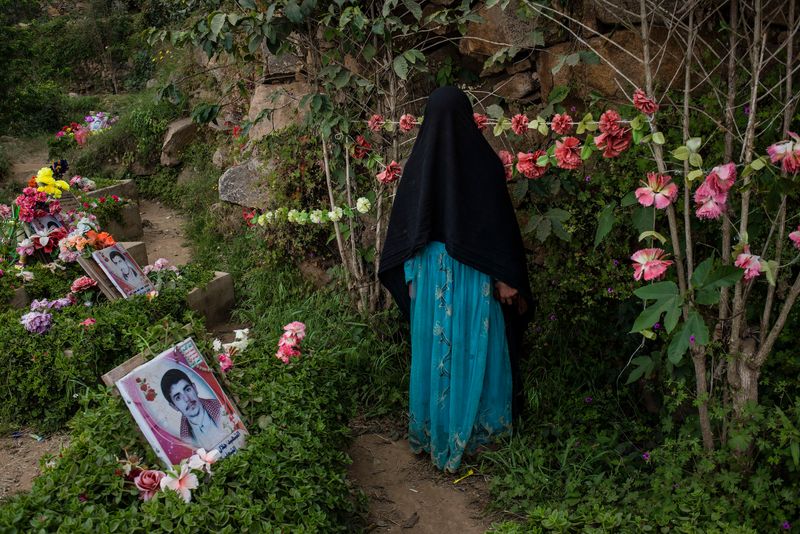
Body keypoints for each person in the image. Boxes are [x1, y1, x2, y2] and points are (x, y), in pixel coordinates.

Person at [379, 86, 533, 473]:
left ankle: (441, 432)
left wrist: (412, 275)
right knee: (474, 347)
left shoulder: (419, 165)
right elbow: (496, 229)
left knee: (440, 352)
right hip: (474, 278)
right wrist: (504, 277)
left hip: (434, 281)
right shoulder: (483, 163)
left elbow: (409, 231)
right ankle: (480, 432)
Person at [160, 368, 230, 450]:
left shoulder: (219, 406)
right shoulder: (184, 439)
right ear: (174, 406)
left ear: (195, 388)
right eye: (178, 397)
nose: (187, 399)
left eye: (187, 389)